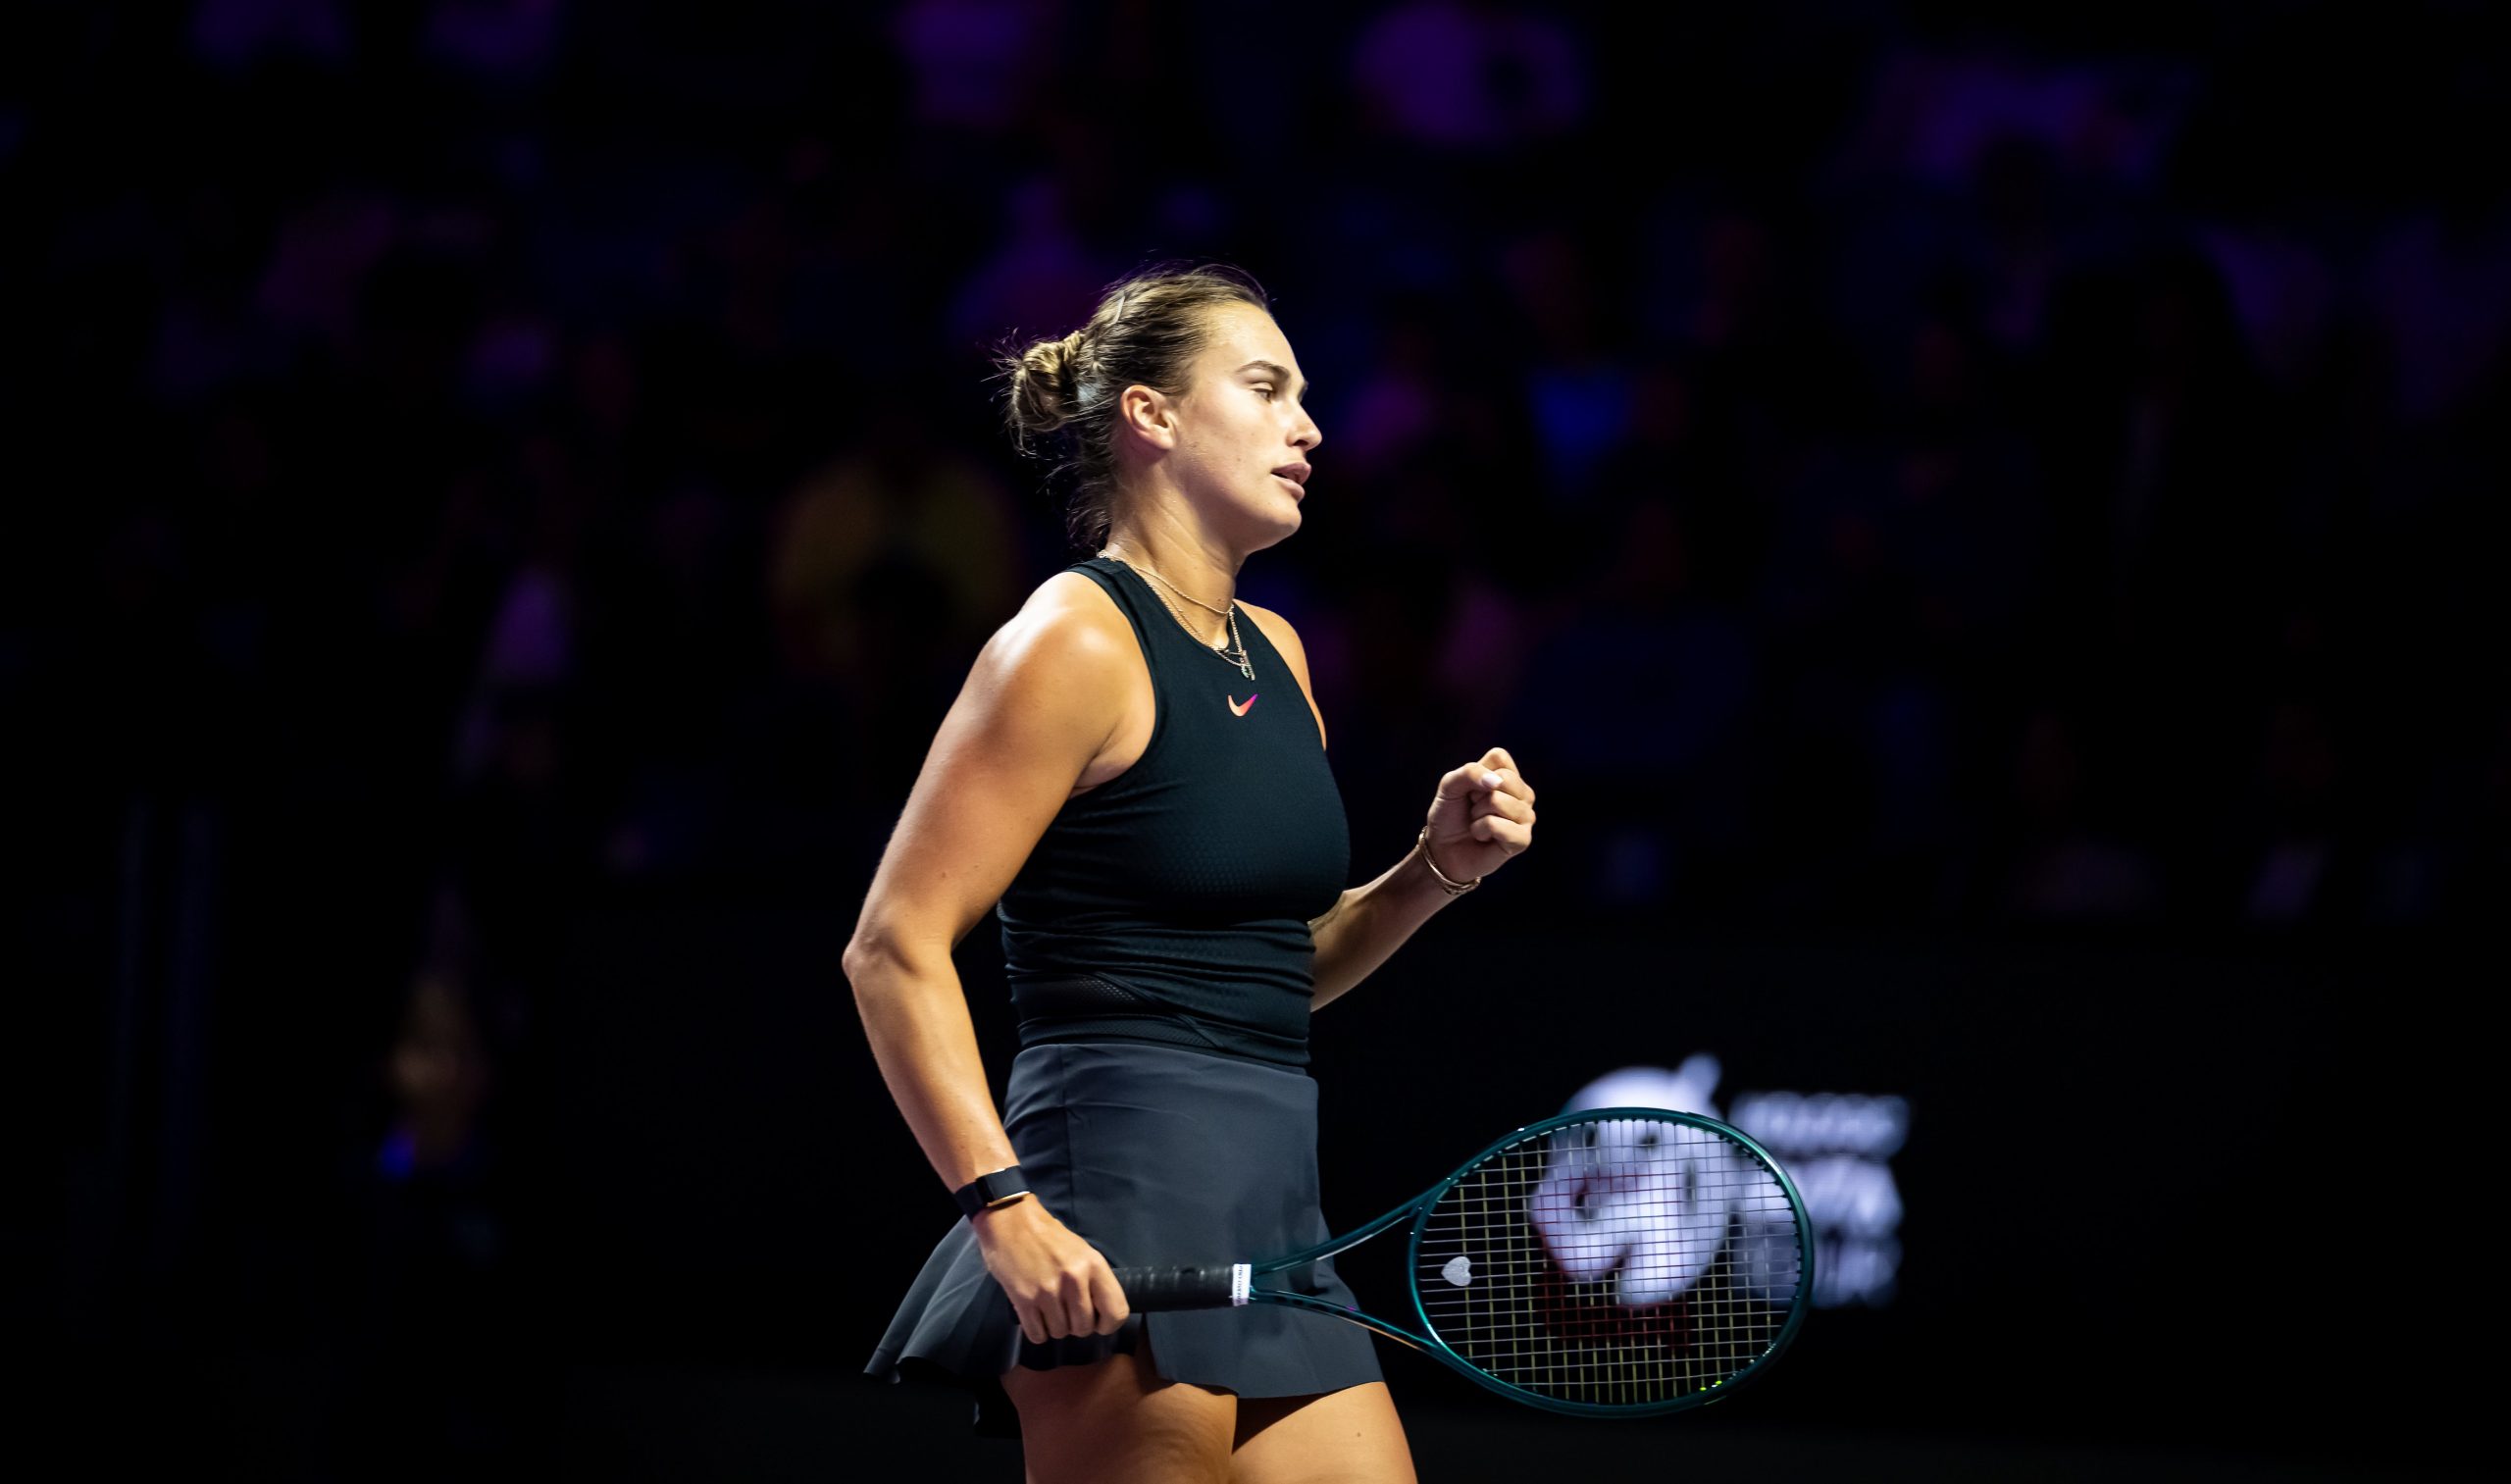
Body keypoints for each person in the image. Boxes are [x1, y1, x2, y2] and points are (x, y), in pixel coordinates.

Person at [848, 262, 1538, 1483]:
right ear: (1151, 417)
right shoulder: (1072, 639)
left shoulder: (1277, 651)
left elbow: (1274, 971)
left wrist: (1433, 870)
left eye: (1305, 395)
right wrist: (1004, 1213)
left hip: (1276, 1225)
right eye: (1266, 388)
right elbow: (893, 947)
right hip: (1112, 1198)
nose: (1309, 426)